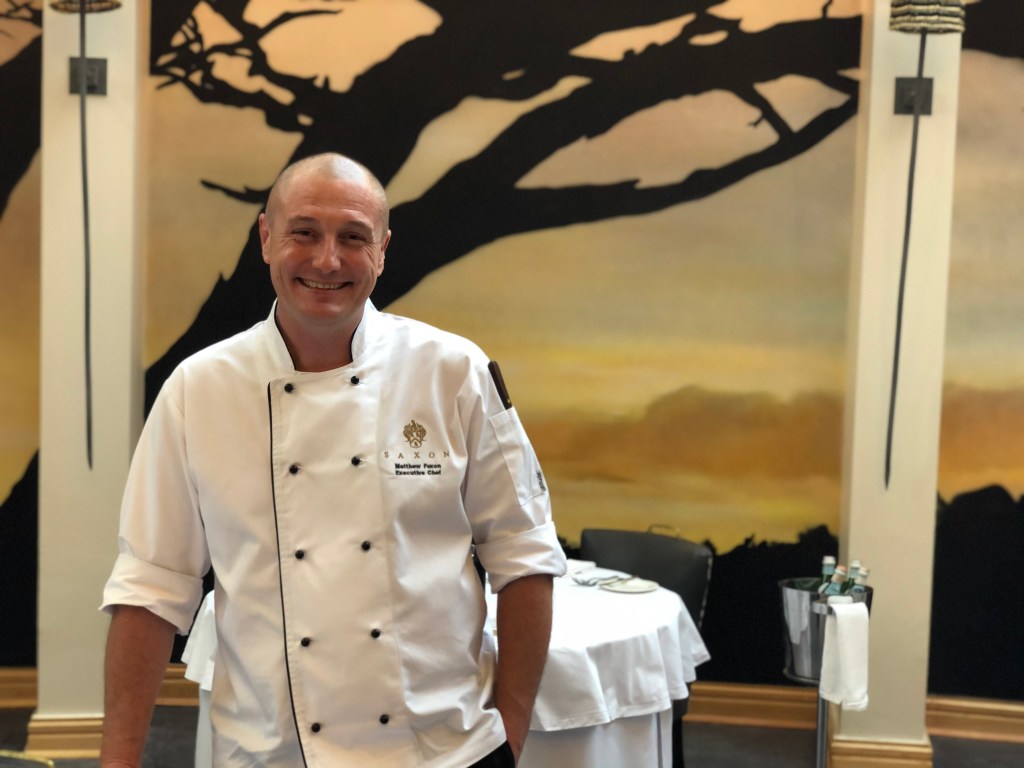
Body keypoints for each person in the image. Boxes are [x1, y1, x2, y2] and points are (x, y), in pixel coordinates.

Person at [99, 153, 567, 767]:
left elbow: (524, 554)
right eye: (304, 232)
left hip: (443, 751)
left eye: (353, 237)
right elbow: (150, 590)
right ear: (266, 238)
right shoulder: (199, 389)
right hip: (270, 754)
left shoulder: (454, 372)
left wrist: (510, 734)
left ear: (383, 251)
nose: (326, 260)